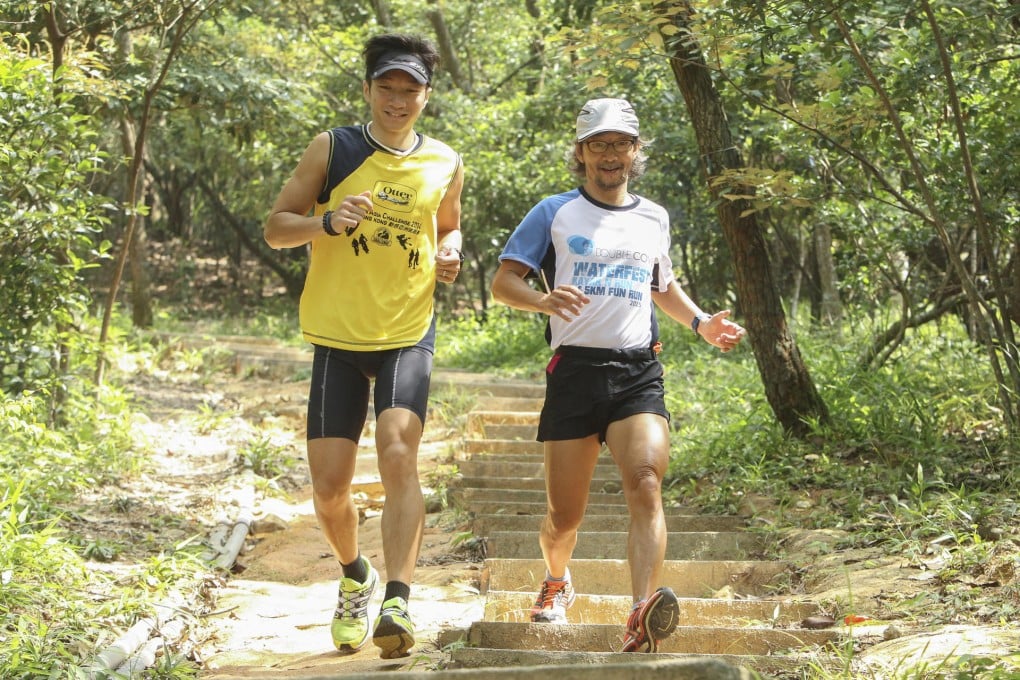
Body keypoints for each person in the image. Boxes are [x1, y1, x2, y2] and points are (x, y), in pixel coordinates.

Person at [490, 97, 745, 653]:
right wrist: (542, 299)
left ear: (635, 152)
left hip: (637, 371)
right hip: (574, 372)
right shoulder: (553, 212)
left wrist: (700, 322)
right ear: (581, 153)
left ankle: (640, 612)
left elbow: (661, 286)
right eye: (598, 144)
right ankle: (557, 579)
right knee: (564, 516)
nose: (610, 155)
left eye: (620, 144)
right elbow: (503, 282)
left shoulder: (653, 216)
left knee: (647, 483)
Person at [263, 33, 464, 659]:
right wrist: (325, 221)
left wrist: (452, 251)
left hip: (407, 330)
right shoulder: (335, 147)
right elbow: (275, 228)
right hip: (336, 334)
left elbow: (449, 224)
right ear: (369, 90)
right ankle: (355, 574)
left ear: (426, 97)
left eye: (410, 91)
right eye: (387, 89)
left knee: (399, 449)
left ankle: (399, 596)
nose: (397, 101)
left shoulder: (446, 162)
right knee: (328, 488)